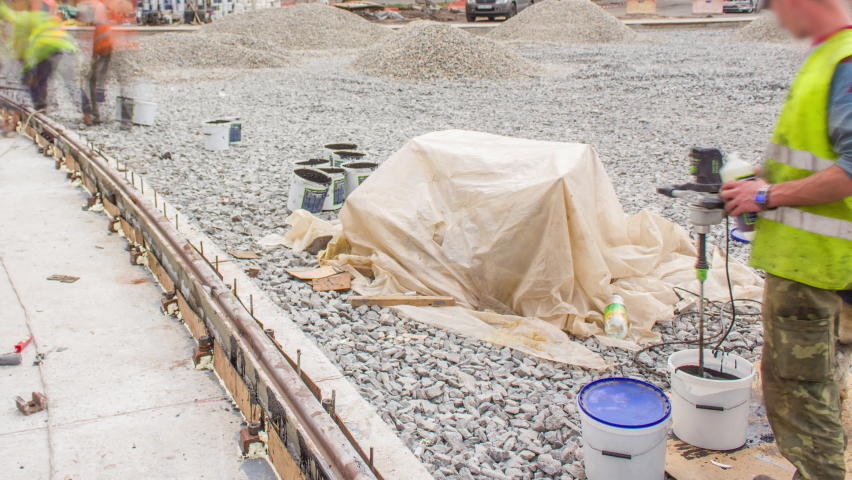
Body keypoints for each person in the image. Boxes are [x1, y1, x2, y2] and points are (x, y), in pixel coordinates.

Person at [721, 0, 852, 478]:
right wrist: (760, 176)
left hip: (816, 264)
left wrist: (768, 194)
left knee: (799, 390)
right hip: (820, 262)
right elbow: (816, 153)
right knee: (823, 380)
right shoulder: (828, 55)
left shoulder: (844, 61)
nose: (776, 16)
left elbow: (851, 169)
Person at [0, 3, 77, 113]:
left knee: (34, 79)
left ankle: (40, 105)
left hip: (44, 51)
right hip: (60, 49)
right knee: (44, 79)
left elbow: (12, 18)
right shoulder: (47, 17)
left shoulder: (28, 17)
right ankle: (43, 105)